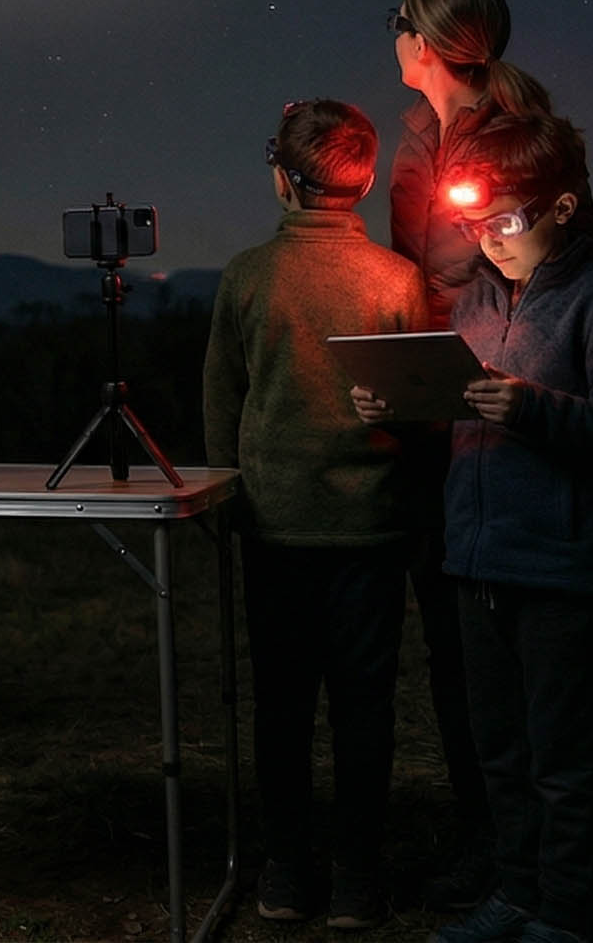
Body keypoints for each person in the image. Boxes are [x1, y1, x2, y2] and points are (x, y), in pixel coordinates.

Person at [354, 112, 593, 943]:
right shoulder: (475, 302)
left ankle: (569, 908)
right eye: (474, 224)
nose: (490, 240)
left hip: (558, 565)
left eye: (508, 220)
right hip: (476, 560)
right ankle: (517, 893)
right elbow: (453, 417)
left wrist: (534, 409)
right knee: (500, 753)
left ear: (561, 207)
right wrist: (398, 411)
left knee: (560, 754)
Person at [381, 0, 593, 906]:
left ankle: (525, 859)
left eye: (394, 21)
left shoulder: (517, 142)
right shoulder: (417, 143)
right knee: (455, 639)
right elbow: (409, 280)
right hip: (441, 409)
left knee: (491, 640)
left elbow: (570, 276)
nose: (388, 36)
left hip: (503, 413)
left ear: (423, 41)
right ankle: (500, 845)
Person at [202, 99, 437, 930]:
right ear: (365, 181)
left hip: (276, 527)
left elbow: (221, 405)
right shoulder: (398, 279)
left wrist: (229, 499)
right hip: (370, 527)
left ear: (282, 182)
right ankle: (358, 878)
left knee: (282, 705)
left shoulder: (247, 278)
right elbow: (422, 408)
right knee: (364, 706)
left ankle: (284, 873)